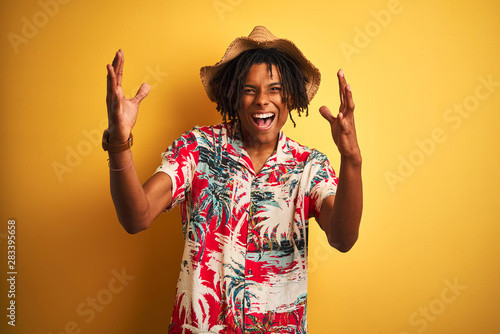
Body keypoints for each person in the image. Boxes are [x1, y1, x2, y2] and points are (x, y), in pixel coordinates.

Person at [104, 26, 362, 334]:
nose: (262, 100)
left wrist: (351, 159)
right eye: (249, 89)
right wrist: (119, 144)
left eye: (275, 89)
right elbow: (137, 216)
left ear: (290, 96)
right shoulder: (198, 148)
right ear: (234, 96)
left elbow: (343, 238)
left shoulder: (309, 166)